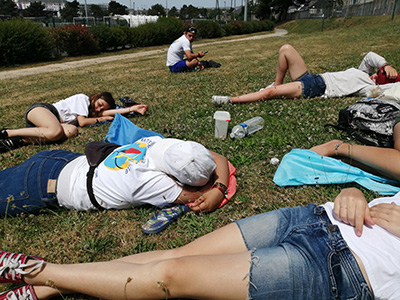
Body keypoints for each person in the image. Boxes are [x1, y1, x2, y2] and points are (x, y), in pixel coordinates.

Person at [2, 187, 400, 300]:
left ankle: (35, 269)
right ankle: (46, 289)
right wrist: (353, 191)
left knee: (169, 276)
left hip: (345, 270)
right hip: (318, 215)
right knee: (177, 253)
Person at [0, 136, 230, 217]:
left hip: (62, 160)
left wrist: (218, 180)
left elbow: (217, 158)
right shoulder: (152, 182)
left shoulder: (166, 145)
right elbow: (198, 196)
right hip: (43, 185)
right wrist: (218, 189)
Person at [212, 43, 400, 105]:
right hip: (313, 77)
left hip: (315, 88)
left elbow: (389, 92)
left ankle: (230, 100)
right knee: (286, 49)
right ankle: (276, 83)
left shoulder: (370, 89)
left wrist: (383, 84)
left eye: (379, 75)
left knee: (268, 94)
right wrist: (387, 64)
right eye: (379, 72)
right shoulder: (364, 73)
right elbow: (369, 56)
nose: (376, 74)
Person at [0, 92, 148, 152]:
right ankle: (7, 132)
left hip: (51, 123)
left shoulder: (90, 110)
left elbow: (110, 112)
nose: (99, 108)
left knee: (71, 131)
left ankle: (20, 141)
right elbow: (83, 122)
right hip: (43, 110)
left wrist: (132, 109)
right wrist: (101, 118)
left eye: (102, 107)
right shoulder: (82, 99)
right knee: (56, 131)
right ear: (96, 97)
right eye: (100, 103)